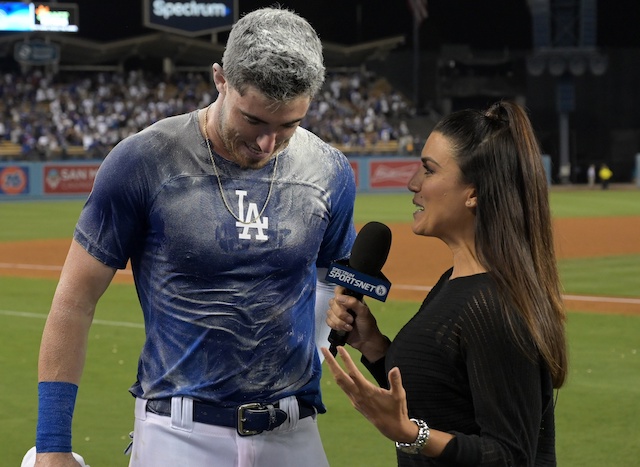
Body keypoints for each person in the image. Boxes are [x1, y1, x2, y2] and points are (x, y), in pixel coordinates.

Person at [34, 7, 357, 467]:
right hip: (178, 434)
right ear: (220, 79)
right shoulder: (145, 160)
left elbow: (333, 278)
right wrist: (51, 445)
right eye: (254, 120)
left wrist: (317, 350)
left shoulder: (329, 170)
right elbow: (74, 300)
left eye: (288, 125)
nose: (269, 144)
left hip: (295, 432)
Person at [322, 101, 568, 466]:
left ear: (474, 192)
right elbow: (439, 396)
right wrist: (373, 345)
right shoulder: (455, 282)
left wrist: (411, 434)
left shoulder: (493, 305)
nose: (413, 184)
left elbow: (511, 456)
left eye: (429, 170)